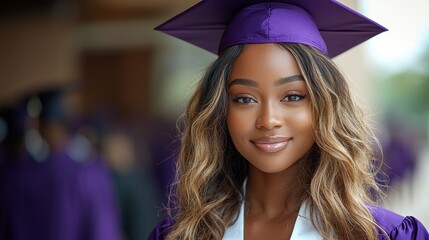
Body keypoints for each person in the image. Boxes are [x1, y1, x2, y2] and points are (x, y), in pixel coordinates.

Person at [149, 0, 429, 239]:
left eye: (293, 96)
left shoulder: (381, 234)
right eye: (245, 99)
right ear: (220, 110)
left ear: (325, 105)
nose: (268, 120)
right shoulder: (182, 234)